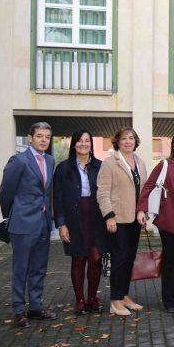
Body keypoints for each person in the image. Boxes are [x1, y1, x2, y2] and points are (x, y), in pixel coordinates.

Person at [0, 121, 58, 328]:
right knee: (21, 268)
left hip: (43, 222)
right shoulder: (19, 161)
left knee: (39, 267)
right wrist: (11, 216)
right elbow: (6, 191)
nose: (44, 140)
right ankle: (18, 310)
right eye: (40, 136)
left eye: (47, 137)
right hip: (23, 223)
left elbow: (46, 192)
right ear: (30, 138)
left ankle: (35, 306)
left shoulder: (50, 161)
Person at [136, 131, 174, 313]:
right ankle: (170, 300)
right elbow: (148, 186)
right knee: (170, 260)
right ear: (173, 145)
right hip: (169, 219)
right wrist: (141, 209)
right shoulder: (165, 164)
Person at [53, 129, 106, 315]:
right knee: (78, 259)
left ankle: (92, 298)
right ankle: (80, 300)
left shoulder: (100, 166)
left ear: (91, 144)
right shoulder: (63, 168)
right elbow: (57, 197)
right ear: (74, 144)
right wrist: (61, 224)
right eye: (80, 141)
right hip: (74, 220)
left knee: (95, 258)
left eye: (87, 141)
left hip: (97, 219)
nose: (84, 144)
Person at [96, 127, 148, 316]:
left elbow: (144, 191)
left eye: (131, 138)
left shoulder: (140, 162)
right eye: (124, 138)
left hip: (134, 218)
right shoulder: (110, 163)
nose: (128, 141)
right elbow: (102, 192)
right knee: (118, 259)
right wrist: (109, 216)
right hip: (116, 219)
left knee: (128, 259)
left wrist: (143, 211)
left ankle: (124, 295)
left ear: (136, 141)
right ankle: (115, 301)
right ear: (117, 141)